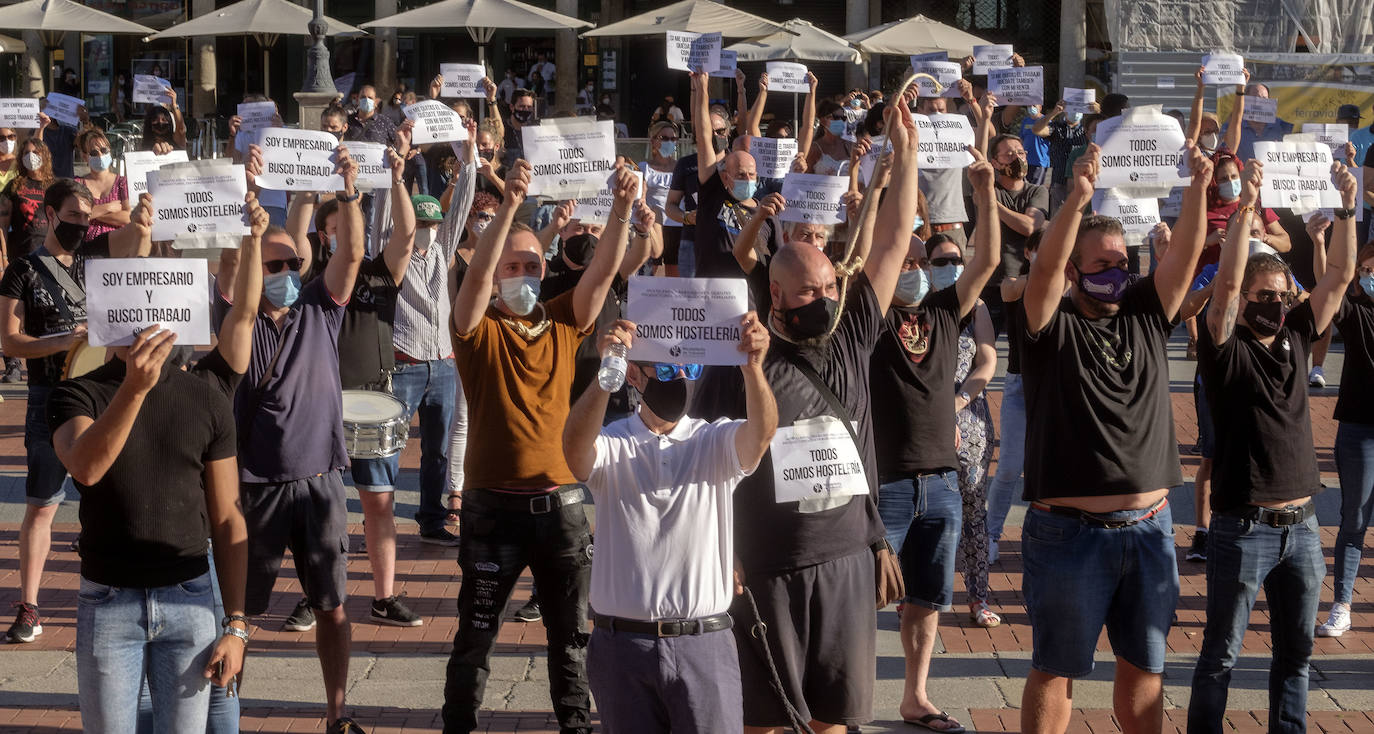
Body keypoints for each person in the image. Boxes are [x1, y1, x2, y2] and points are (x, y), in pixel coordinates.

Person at [689, 82, 915, 734]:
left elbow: (896, 239)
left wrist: (907, 154)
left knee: (833, 717)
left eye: (828, 285)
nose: (822, 295)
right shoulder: (743, 355)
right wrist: (720, 550)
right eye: (808, 290)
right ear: (776, 296)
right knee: (762, 717)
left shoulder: (849, 331)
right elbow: (710, 454)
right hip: (766, 562)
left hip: (846, 557)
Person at [49, 192, 267, 731]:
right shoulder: (79, 394)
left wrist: (236, 625)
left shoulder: (205, 397)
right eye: (129, 312)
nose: (143, 325)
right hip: (108, 601)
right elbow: (87, 467)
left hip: (189, 598)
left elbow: (227, 517)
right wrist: (133, 389)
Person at [1017, 141, 1212, 734]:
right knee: (1056, 669)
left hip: (1149, 529)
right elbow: (1045, 271)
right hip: (1068, 533)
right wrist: (1076, 199)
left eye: (1121, 262)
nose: (1115, 272)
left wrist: (1200, 187)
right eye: (1100, 264)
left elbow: (1185, 254)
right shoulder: (1048, 323)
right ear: (1075, 268)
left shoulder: (1147, 309)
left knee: (1145, 668)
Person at [440, 160, 638, 734]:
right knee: (476, 634)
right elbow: (474, 283)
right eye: (513, 267)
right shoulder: (475, 329)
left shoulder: (559, 321)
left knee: (571, 638)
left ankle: (575, 726)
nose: (522, 275)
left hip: (562, 508)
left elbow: (600, 278)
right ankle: (459, 724)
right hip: (491, 511)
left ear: (544, 268)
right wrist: (507, 209)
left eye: (532, 266)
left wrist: (622, 209)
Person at [1188, 158, 1358, 732]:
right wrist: (1244, 211)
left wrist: (1347, 209)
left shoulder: (1295, 335)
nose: (1276, 303)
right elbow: (1229, 285)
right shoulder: (1224, 345)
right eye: (1267, 294)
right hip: (1243, 526)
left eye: (1283, 294)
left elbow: (1338, 276)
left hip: (1304, 526)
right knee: (1222, 656)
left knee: (1297, 655)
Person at [562, 315, 776, 734]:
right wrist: (607, 371)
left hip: (704, 644)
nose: (677, 378)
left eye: (687, 369)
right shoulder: (615, 442)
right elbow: (573, 448)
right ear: (636, 376)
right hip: (623, 647)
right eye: (664, 369)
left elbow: (762, 433)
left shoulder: (713, 439)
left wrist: (753, 368)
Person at [236, 144, 368, 734]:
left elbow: (355, 252)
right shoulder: (239, 323)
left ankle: (337, 713)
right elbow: (230, 272)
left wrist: (348, 189)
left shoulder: (320, 307)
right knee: (236, 612)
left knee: (332, 605)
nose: (287, 275)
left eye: (293, 264)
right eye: (274, 267)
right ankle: (221, 713)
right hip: (256, 485)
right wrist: (248, 201)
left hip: (320, 481)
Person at [870, 145, 1001, 733]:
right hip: (887, 481)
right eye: (909, 261)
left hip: (943, 481)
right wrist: (886, 179)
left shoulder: (947, 311)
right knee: (859, 596)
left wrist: (985, 193)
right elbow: (888, 243)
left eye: (927, 262)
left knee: (927, 601)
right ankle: (838, 699)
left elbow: (987, 261)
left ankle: (915, 696)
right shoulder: (869, 316)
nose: (920, 271)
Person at [0, 181, 151, 643]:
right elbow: (8, 341)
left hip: (99, 394)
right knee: (43, 505)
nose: (80, 226)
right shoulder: (22, 271)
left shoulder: (97, 255)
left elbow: (138, 237)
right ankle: (29, 605)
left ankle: (117, 596)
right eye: (72, 216)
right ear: (48, 215)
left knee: (111, 497)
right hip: (49, 395)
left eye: (86, 218)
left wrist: (138, 209)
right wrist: (62, 340)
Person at [1316, 217, 1374, 637]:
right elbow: (1327, 285)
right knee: (1353, 518)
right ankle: (1342, 603)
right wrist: (1319, 240)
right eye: (1368, 271)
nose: (1372, 277)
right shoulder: (1355, 312)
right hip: (1359, 428)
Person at [985, 231, 1042, 559]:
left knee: (1048, 465)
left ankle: (1043, 535)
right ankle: (991, 535)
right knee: (1008, 467)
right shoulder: (1014, 283)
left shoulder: (1066, 286)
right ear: (1028, 252)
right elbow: (1009, 289)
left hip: (1054, 386)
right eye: (1041, 250)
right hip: (1020, 384)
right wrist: (1043, 269)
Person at [691, 73, 762, 279]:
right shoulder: (712, 188)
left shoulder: (763, 213)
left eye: (750, 174)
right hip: (711, 287)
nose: (746, 179)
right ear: (724, 176)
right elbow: (703, 137)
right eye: (740, 174)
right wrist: (702, 88)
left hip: (746, 294)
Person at [990, 134, 1049, 282]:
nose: (1017, 158)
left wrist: (991, 204)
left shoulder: (1037, 191)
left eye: (1021, 153)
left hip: (1026, 279)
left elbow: (1030, 226)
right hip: (994, 280)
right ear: (996, 163)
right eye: (1009, 154)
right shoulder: (990, 190)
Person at [1031, 99, 1094, 211]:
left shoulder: (1087, 130)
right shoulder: (1057, 128)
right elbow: (1036, 130)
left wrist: (1097, 112)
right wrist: (1054, 113)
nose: (1075, 112)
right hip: (1060, 183)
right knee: (1058, 218)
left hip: (1082, 182)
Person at [1, 137, 54, 258]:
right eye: (26, 153)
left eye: (35, 152)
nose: (30, 156)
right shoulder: (14, 186)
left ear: (45, 156)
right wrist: (4, 257)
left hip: (50, 254)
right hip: (21, 254)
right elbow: (2, 226)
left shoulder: (55, 186)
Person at [76, 129, 130, 241]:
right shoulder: (78, 184)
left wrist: (92, 214)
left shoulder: (122, 182)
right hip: (86, 247)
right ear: (85, 157)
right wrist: (108, 207)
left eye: (104, 150)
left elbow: (127, 217)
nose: (100, 155)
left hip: (117, 246)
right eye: (94, 153)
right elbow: (76, 217)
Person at [1222, 83, 1293, 163]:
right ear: (1245, 100)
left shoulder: (1280, 125)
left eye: (1264, 98)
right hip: (1243, 174)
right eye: (1255, 98)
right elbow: (1224, 154)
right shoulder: (1233, 126)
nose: (1260, 102)